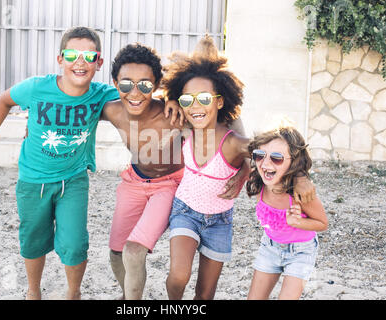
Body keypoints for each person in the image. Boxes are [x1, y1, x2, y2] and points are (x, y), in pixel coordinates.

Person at [0, 26, 120, 300]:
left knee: (75, 243)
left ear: (99, 63)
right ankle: (33, 291)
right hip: (33, 180)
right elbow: (4, 100)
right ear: (60, 58)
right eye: (72, 54)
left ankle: (73, 292)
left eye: (89, 56)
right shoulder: (37, 87)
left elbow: (137, 101)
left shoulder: (101, 94)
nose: (80, 61)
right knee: (33, 240)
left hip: (73, 180)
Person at [101, 43, 252, 300]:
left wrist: (246, 168)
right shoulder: (114, 108)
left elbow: (232, 122)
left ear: (157, 85)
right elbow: (77, 112)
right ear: (115, 83)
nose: (135, 92)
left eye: (145, 85)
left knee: (135, 252)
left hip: (172, 185)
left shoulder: (179, 113)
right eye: (126, 84)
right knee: (118, 253)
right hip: (134, 180)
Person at [161, 35, 253, 300]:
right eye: (187, 99)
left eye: (204, 97)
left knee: (205, 293)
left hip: (220, 218)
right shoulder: (186, 117)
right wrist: (170, 99)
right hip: (185, 209)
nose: (196, 104)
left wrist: (245, 172)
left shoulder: (230, 126)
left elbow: (251, 148)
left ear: (220, 99)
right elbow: (153, 95)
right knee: (178, 276)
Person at [246, 125, 328, 300]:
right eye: (260, 155)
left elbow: (322, 223)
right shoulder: (259, 181)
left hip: (300, 252)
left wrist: (297, 222)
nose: (266, 163)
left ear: (294, 162)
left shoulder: (300, 193)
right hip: (269, 247)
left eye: (277, 158)